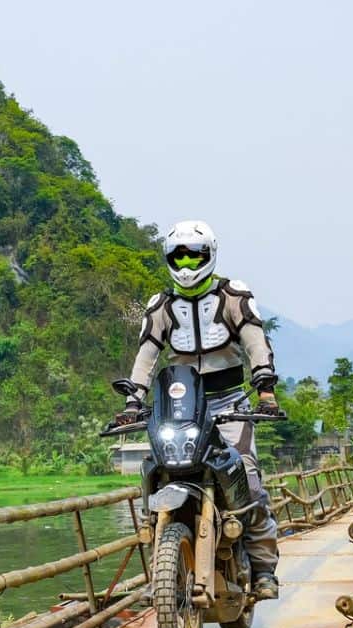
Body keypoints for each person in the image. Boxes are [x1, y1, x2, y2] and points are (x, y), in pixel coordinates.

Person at [113, 221, 283, 599]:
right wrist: (132, 402)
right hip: (181, 407)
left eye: (194, 255)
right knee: (158, 471)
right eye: (179, 255)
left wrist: (266, 391)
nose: (187, 263)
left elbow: (256, 343)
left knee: (249, 479)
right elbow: (146, 356)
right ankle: (163, 567)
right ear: (169, 259)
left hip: (230, 404)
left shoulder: (233, 297)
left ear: (210, 255)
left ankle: (263, 569)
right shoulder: (161, 307)